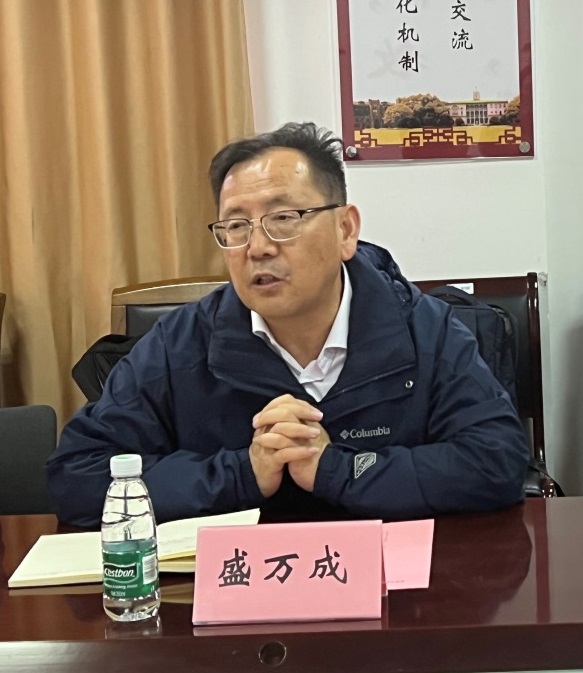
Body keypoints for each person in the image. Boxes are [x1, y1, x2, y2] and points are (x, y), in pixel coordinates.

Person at [46, 122, 529, 527]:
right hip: (236, 596)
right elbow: (77, 477)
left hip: (398, 593)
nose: (258, 248)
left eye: (284, 217)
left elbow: (497, 461)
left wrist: (337, 470)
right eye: (236, 226)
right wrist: (242, 473)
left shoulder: (425, 330)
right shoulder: (181, 343)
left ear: (345, 230)